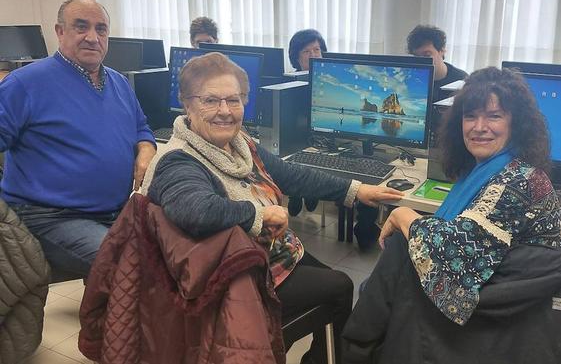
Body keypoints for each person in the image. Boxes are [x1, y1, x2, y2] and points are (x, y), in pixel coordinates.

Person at [141, 52, 403, 364]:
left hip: (267, 255)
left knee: (333, 281)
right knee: (340, 286)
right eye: (210, 100)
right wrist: (259, 214)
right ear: (187, 104)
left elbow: (289, 174)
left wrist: (357, 191)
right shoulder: (178, 160)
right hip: (229, 279)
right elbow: (195, 210)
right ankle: (269, 346)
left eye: (234, 100)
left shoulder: (238, 142)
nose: (225, 111)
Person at [341, 67, 561, 363]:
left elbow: (456, 252)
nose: (479, 126)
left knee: (400, 250)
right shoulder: (490, 170)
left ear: (516, 123)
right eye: (470, 116)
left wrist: (404, 215)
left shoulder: (520, 181)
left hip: (481, 322)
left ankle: (355, 350)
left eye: (494, 116)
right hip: (504, 317)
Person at [0, 0, 156, 279]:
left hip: (116, 211)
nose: (92, 37)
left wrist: (145, 148)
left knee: (176, 250)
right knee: (130, 266)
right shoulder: (24, 83)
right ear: (60, 32)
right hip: (51, 217)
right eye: (81, 27)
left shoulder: (118, 82)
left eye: (101, 29)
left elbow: (141, 127)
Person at [287, 29, 328, 216]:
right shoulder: (289, 83)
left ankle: (310, 190)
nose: (313, 56)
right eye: (306, 51)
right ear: (296, 57)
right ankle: (296, 193)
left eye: (317, 50)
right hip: (295, 135)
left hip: (322, 138)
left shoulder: (329, 81)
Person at [407, 24, 468, 102]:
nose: (421, 61)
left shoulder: (461, 80)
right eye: (416, 56)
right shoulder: (410, 78)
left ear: (442, 51)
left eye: (427, 55)